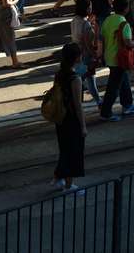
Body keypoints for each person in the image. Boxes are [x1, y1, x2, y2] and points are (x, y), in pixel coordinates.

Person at [50, 43, 87, 192]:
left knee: (64, 149)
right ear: (77, 58)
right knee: (73, 151)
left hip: (61, 117)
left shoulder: (59, 74)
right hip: (72, 119)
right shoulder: (75, 79)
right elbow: (78, 105)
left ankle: (57, 177)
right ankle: (69, 185)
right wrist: (83, 126)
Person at [100, 0, 134, 121]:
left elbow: (102, 38)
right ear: (126, 8)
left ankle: (127, 105)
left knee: (123, 80)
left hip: (109, 56)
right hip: (119, 59)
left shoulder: (108, 20)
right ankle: (106, 112)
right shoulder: (124, 23)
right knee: (113, 88)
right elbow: (128, 42)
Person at [70, 0, 102, 110]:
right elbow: (88, 44)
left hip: (76, 55)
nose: (91, 8)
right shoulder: (86, 24)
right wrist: (95, 55)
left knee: (80, 79)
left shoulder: (74, 20)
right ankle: (99, 102)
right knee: (90, 80)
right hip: (86, 56)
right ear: (87, 9)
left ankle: (78, 103)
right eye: (90, 7)